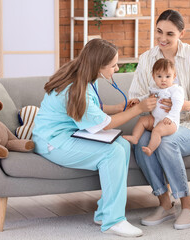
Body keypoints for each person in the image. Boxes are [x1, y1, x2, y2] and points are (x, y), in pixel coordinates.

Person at [32, 38, 157, 237]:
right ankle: (113, 222)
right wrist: (140, 109)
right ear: (99, 66)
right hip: (52, 142)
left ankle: (104, 213)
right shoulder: (75, 87)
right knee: (112, 153)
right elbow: (104, 124)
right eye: (113, 65)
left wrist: (120, 108)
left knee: (122, 145)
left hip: (68, 133)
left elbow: (91, 109)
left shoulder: (84, 76)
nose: (116, 69)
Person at [128, 9, 190, 230]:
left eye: (170, 34)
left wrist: (185, 105)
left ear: (181, 34)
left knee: (168, 141)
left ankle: (188, 206)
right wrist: (144, 102)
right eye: (159, 32)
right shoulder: (147, 58)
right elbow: (135, 95)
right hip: (159, 122)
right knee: (142, 143)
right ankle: (165, 204)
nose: (162, 39)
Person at [123, 58, 184, 156]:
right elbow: (147, 96)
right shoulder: (155, 89)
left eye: (168, 76)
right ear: (153, 76)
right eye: (159, 76)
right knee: (142, 120)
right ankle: (135, 137)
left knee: (156, 131)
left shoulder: (175, 90)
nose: (163, 80)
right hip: (155, 119)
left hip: (170, 122)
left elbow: (178, 105)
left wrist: (170, 117)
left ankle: (150, 149)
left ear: (174, 77)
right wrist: (138, 99)